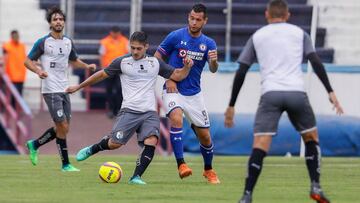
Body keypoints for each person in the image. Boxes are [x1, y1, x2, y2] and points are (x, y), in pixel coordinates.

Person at [224, 1, 344, 202]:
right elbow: (315, 61)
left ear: (266, 14)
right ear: (288, 15)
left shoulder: (258, 36)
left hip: (270, 94)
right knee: (311, 138)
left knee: (260, 144)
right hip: (296, 92)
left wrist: (231, 105)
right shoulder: (299, 33)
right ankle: (315, 185)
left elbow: (241, 71)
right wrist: (330, 92)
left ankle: (247, 195)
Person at [68, 31, 194, 185]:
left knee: (152, 140)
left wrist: (187, 67)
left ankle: (136, 177)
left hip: (149, 112)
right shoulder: (122, 62)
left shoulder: (155, 63)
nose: (134, 51)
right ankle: (93, 149)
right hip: (129, 110)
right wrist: (79, 86)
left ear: (146, 47)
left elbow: (177, 75)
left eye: (138, 48)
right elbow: (101, 75)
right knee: (115, 143)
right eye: (132, 48)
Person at [154, 3, 220, 184]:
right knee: (176, 117)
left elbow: (213, 70)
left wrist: (214, 62)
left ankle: (208, 170)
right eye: (192, 18)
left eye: (198, 19)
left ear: (204, 21)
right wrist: (168, 78)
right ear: (188, 17)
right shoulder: (175, 36)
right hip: (173, 89)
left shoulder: (208, 43)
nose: (194, 22)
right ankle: (181, 164)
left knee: (205, 137)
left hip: (194, 94)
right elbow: (156, 59)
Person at [24, 7, 96, 172]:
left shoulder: (68, 41)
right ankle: (65, 164)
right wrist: (38, 71)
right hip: (50, 90)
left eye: (61, 19)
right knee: (62, 125)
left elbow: (74, 60)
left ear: (64, 22)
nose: (58, 22)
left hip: (65, 89)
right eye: (55, 19)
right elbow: (27, 61)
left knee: (64, 128)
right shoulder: (43, 42)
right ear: (50, 23)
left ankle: (34, 144)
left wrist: (87, 66)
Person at [99, 26, 129, 118]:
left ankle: (118, 109)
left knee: (120, 90)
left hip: (121, 70)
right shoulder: (105, 42)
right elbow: (101, 55)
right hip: (109, 69)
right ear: (110, 32)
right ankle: (111, 110)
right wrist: (102, 69)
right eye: (114, 32)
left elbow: (128, 54)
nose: (115, 34)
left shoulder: (125, 41)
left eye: (117, 32)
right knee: (109, 90)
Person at [2, 30, 27, 95]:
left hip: (21, 77)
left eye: (17, 36)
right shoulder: (7, 46)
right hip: (10, 78)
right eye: (14, 36)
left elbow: (24, 58)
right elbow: (4, 59)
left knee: (18, 98)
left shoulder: (22, 46)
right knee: (11, 100)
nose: (16, 37)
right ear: (11, 36)